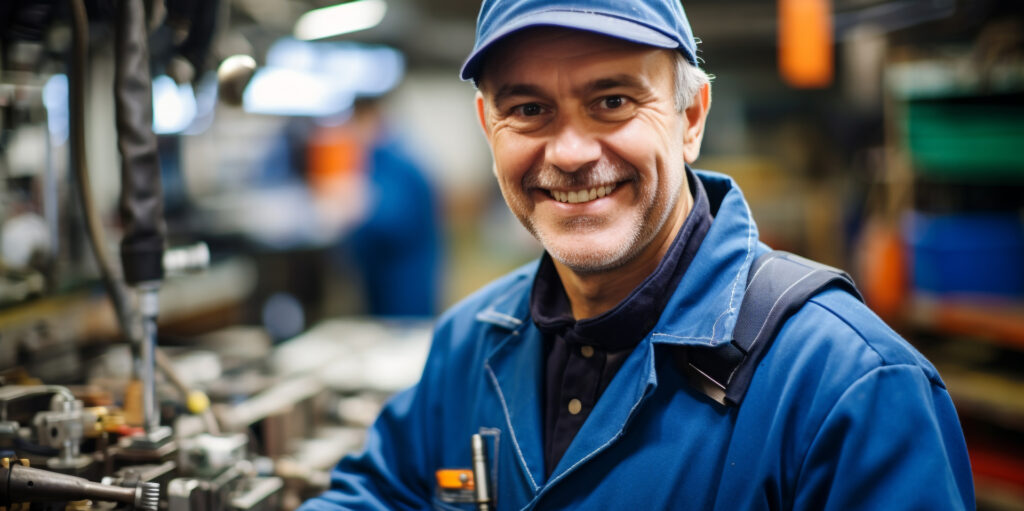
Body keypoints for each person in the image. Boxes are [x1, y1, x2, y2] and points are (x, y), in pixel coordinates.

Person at [300, 0, 975, 509]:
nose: (568, 153)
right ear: (488, 127)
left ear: (691, 118)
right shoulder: (469, 345)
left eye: (613, 100)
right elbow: (378, 492)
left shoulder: (851, 386)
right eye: (529, 109)